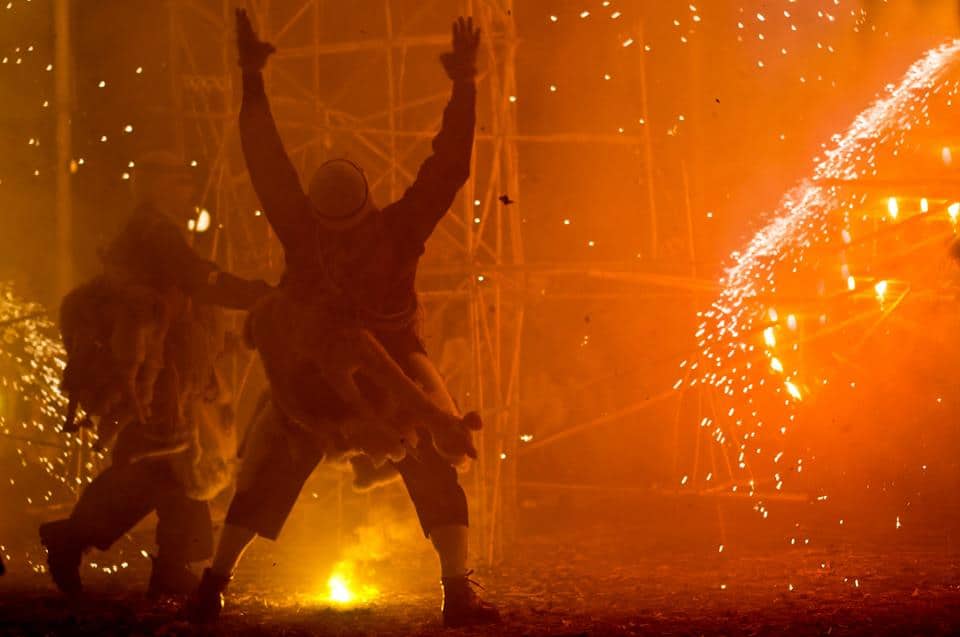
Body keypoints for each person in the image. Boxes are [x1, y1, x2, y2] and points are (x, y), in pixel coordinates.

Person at [187, 11, 500, 628]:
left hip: (354, 369)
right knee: (425, 449)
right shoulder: (396, 228)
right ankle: (457, 590)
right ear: (366, 199)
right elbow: (448, 169)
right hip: (333, 365)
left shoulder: (304, 231)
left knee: (273, 458)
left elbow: (265, 160)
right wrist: (464, 84)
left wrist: (253, 77)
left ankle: (212, 586)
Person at [39, 151, 271, 597]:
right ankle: (81, 540)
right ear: (157, 186)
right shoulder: (156, 232)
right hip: (154, 371)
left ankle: (162, 564)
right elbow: (200, 280)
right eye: (179, 182)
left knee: (172, 467)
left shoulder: (153, 229)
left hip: (168, 370)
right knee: (165, 464)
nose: (188, 191)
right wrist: (261, 296)